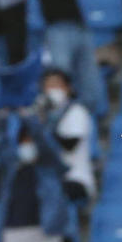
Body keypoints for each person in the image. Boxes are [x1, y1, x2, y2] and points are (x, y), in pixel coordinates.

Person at [0, 107, 75, 242]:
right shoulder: (12, 167)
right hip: (14, 234)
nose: (28, 145)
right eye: (24, 141)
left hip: (45, 233)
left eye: (31, 141)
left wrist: (30, 120)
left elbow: (44, 142)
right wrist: (0, 121)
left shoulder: (49, 165)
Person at [38, 69, 93, 208]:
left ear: (68, 88)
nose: (53, 90)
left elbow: (70, 144)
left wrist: (44, 128)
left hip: (75, 179)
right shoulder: (40, 113)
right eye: (49, 86)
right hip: (47, 179)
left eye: (57, 85)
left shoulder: (77, 112)